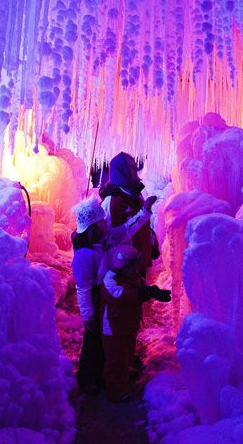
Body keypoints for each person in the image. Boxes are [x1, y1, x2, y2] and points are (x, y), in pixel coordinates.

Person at [70, 195, 156, 394]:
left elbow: (127, 228)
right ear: (91, 227)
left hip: (107, 297)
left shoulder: (107, 237)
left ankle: (107, 371)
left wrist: (145, 211)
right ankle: (88, 378)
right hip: (95, 298)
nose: (104, 222)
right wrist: (88, 316)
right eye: (100, 221)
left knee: (107, 336)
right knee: (93, 338)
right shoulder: (84, 255)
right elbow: (82, 288)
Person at [101, 244, 171, 402]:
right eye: (131, 265)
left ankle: (125, 374)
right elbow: (120, 296)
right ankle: (116, 390)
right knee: (116, 358)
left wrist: (154, 292)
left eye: (135, 264)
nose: (135, 268)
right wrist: (143, 293)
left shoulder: (133, 277)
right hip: (113, 326)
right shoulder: (110, 280)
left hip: (128, 323)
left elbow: (142, 288)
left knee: (127, 351)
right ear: (121, 265)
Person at [100, 152, 159, 278]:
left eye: (134, 166)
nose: (135, 170)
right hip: (124, 265)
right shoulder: (112, 201)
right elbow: (112, 237)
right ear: (122, 171)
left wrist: (152, 242)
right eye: (130, 167)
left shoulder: (135, 194)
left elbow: (143, 226)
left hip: (140, 259)